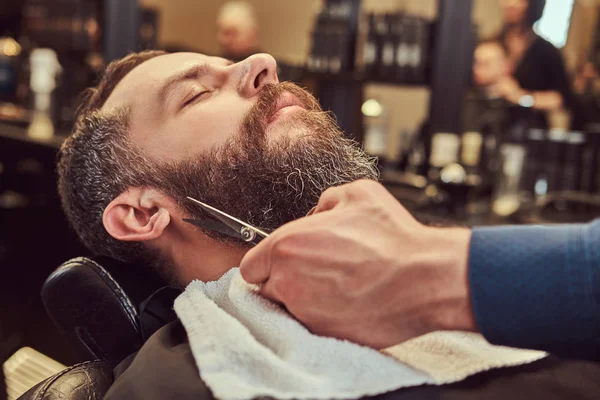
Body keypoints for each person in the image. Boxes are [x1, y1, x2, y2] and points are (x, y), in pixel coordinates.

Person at [58, 51, 600, 399]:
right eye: (197, 92)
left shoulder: (477, 258)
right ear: (142, 213)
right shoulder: (183, 384)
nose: (263, 62)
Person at [493, 0, 578, 130]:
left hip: (530, 130)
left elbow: (561, 98)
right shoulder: (493, 42)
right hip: (492, 124)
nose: (511, 4)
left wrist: (521, 97)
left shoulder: (546, 51)